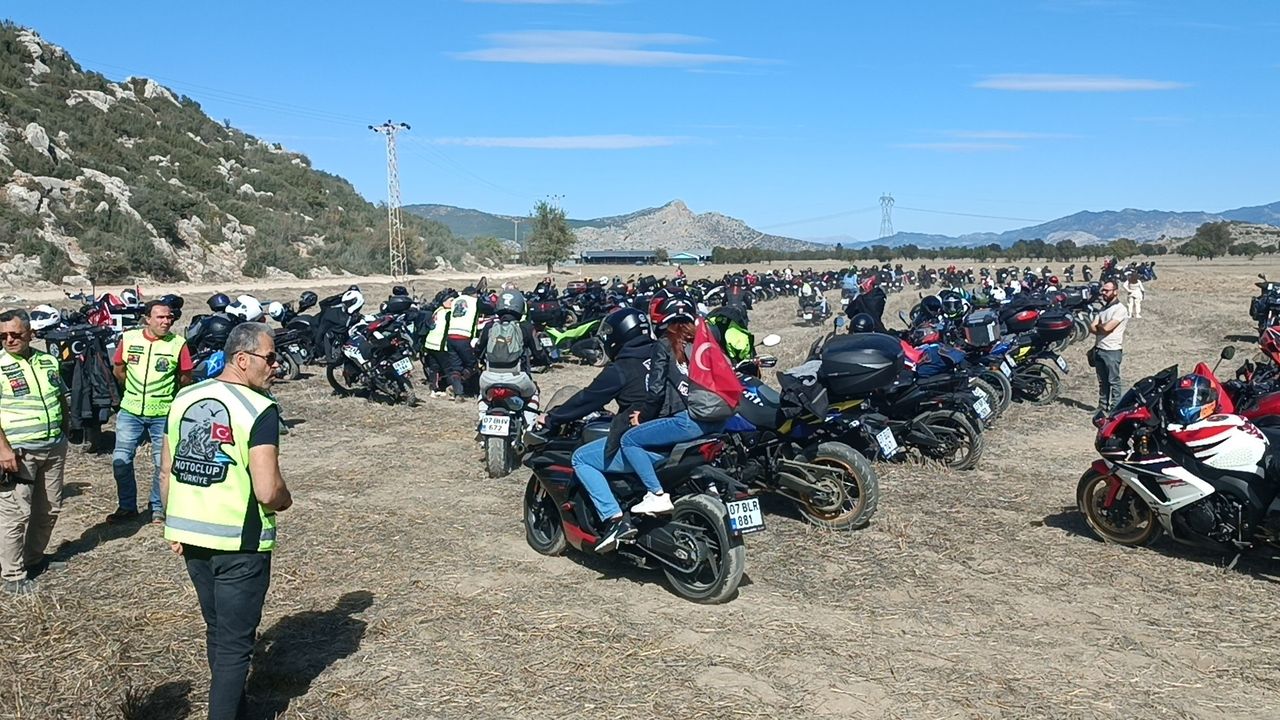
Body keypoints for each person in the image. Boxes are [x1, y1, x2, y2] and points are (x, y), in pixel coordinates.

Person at [160, 322, 292, 720]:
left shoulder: (185, 397)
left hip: (192, 539)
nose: (276, 366)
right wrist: (286, 500)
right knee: (236, 646)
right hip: (240, 543)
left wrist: (174, 526)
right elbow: (267, 490)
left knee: (218, 631)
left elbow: (167, 472)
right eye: (269, 358)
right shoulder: (259, 409)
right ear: (242, 359)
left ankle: (235, 707)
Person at [539, 308, 655, 551]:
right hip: (673, 432)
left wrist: (552, 418)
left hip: (641, 439)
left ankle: (614, 519)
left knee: (581, 458)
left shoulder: (622, 368)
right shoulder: (664, 354)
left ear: (622, 334)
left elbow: (586, 399)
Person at [619, 296, 728, 516]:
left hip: (689, 420)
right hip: (718, 419)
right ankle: (710, 487)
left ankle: (656, 494)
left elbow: (656, 390)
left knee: (629, 440)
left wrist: (642, 417)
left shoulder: (665, 343)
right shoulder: (705, 340)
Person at [0, 309, 68, 594]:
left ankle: (35, 558)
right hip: (17, 452)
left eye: (15, 334)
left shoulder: (48, 361)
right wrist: (3, 450)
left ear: (30, 333)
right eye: (2, 336)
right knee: (15, 514)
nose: (9, 340)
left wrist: (65, 429)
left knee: (49, 508)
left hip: (53, 446)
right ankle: (12, 575)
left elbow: (60, 395)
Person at [108, 299, 194, 524]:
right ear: (147, 319)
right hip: (130, 410)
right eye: (161, 317)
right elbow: (119, 370)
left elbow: (185, 378)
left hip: (163, 413)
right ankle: (127, 507)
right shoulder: (129, 339)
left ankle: (158, 507)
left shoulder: (178, 344)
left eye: (169, 317)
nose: (166, 321)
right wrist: (133, 393)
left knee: (162, 464)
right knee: (121, 460)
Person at [1091, 281, 1130, 420]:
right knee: (1103, 382)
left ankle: (1115, 408)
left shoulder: (1120, 309)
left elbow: (1107, 328)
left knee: (1114, 381)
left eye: (1107, 291)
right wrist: (1103, 327)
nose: (1103, 293)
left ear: (1115, 292)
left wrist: (1101, 327)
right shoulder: (1103, 309)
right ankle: (1102, 406)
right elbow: (1092, 328)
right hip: (1099, 348)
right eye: (1103, 290)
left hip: (1112, 350)